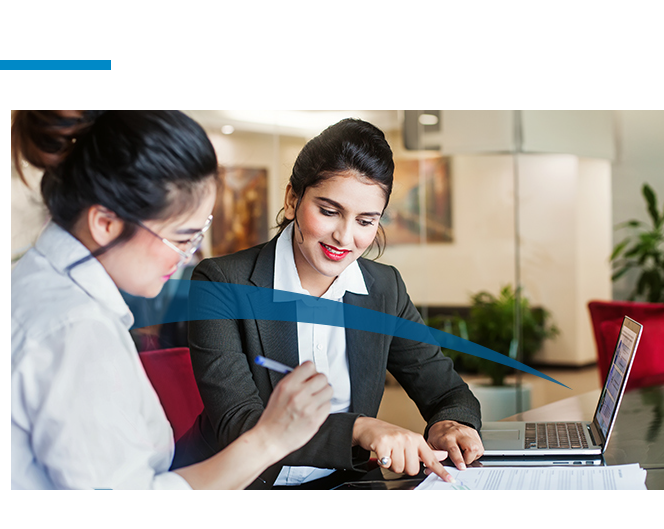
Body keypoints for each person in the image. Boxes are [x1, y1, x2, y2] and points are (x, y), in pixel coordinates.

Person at [10, 110, 332, 490]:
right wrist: (270, 438)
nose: (187, 257)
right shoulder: (76, 332)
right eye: (181, 238)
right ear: (106, 223)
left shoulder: (37, 282)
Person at [185, 118, 483, 487]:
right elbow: (239, 423)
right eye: (328, 211)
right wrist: (360, 429)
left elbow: (448, 392)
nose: (345, 236)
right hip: (242, 487)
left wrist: (452, 424)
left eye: (365, 220)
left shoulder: (383, 288)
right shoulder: (221, 282)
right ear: (293, 199)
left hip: (347, 484)